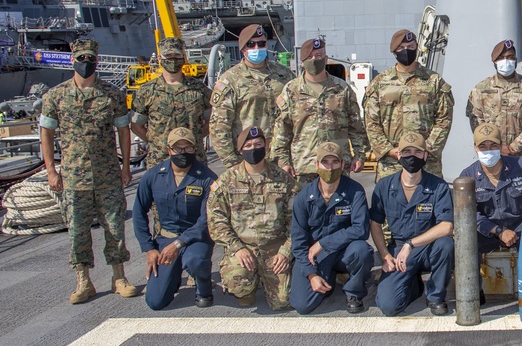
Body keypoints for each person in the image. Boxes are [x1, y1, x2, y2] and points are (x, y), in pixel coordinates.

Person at [39, 37, 138, 304]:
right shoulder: (56, 96)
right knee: (77, 231)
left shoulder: (112, 95)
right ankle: (83, 281)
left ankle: (119, 277)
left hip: (107, 174)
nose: (86, 64)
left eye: (90, 59)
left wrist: (125, 166)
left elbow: (123, 132)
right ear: (73, 60)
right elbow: (46, 134)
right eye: (81, 59)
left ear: (97, 61)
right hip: (73, 176)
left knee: (115, 228)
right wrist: (51, 170)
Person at [457, 123, 522, 288]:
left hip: (521, 226)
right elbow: (468, 212)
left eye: (493, 145)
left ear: (501, 146)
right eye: (483, 146)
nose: (488, 150)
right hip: (487, 231)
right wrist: (497, 231)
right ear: (475, 148)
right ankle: (473, 290)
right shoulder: (467, 176)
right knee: (464, 241)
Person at [206, 126, 297, 310]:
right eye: (248, 145)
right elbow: (216, 220)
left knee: (283, 302)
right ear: (240, 150)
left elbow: (297, 222)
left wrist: (286, 252)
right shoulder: (226, 181)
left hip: (274, 247)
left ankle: (265, 277)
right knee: (237, 282)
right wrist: (236, 248)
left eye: (258, 144)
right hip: (243, 247)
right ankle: (248, 286)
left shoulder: (284, 179)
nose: (253, 148)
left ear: (267, 146)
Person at [370, 132, 454, 316]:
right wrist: (385, 255)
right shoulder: (384, 186)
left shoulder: (438, 186)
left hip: (427, 248)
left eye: (417, 152)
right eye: (406, 151)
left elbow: (446, 226)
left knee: (446, 244)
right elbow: (375, 223)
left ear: (425, 156)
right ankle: (414, 286)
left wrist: (411, 244)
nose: (411, 156)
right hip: (398, 249)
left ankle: (435, 295)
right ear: (398, 155)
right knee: (389, 306)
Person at [133, 128, 217, 310]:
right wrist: (149, 248)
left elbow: (206, 219)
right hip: (165, 240)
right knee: (155, 302)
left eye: (188, 148)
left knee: (196, 260)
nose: (183, 153)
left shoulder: (207, 178)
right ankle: (173, 276)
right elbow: (139, 212)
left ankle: (203, 288)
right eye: (178, 149)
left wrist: (179, 243)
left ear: (195, 149)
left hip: (195, 239)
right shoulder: (153, 176)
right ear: (168, 150)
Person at [289, 142, 374, 315]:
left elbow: (361, 229)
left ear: (343, 164)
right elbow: (298, 243)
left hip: (343, 251)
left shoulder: (354, 191)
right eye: (325, 162)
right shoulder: (304, 198)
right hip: (316, 256)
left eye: (335, 162)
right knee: (302, 305)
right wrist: (311, 275)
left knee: (362, 251)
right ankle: (328, 277)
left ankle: (354, 292)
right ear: (316, 165)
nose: (330, 167)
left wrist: (323, 242)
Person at [272, 37, 369, 185]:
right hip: (305, 167)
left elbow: (356, 127)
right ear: (302, 61)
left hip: (337, 165)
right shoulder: (291, 91)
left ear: (326, 58)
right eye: (310, 57)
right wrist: (283, 161)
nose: (314, 60)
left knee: (339, 207)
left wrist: (359, 155)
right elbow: (282, 131)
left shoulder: (342, 89)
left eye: (318, 56)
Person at [363, 29, 454, 180]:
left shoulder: (434, 81)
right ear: (394, 52)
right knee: (390, 201)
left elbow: (444, 119)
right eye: (401, 47)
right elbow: (371, 122)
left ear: (417, 48)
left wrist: (427, 148)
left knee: (429, 201)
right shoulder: (380, 83)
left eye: (411, 46)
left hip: (426, 161)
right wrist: (389, 150)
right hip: (391, 162)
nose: (406, 50)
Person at [208, 24, 294, 168]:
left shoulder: (284, 75)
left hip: (283, 160)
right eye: (251, 44)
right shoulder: (230, 80)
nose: (256, 48)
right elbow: (219, 126)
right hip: (248, 159)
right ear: (243, 49)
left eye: (261, 44)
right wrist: (232, 163)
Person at [131, 36, 212, 166]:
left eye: (177, 55)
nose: (173, 60)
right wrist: (157, 142)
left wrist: (194, 138)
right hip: (160, 161)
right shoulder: (146, 91)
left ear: (183, 57)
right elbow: (136, 126)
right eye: (168, 56)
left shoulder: (200, 89)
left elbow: (212, 121)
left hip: (194, 159)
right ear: (159, 58)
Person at [466, 39, 522, 158]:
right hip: (492, 153)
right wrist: (494, 145)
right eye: (501, 58)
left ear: (516, 60)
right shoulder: (481, 89)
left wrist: (515, 146)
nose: (506, 61)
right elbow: (476, 120)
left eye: (510, 57)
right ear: (494, 62)